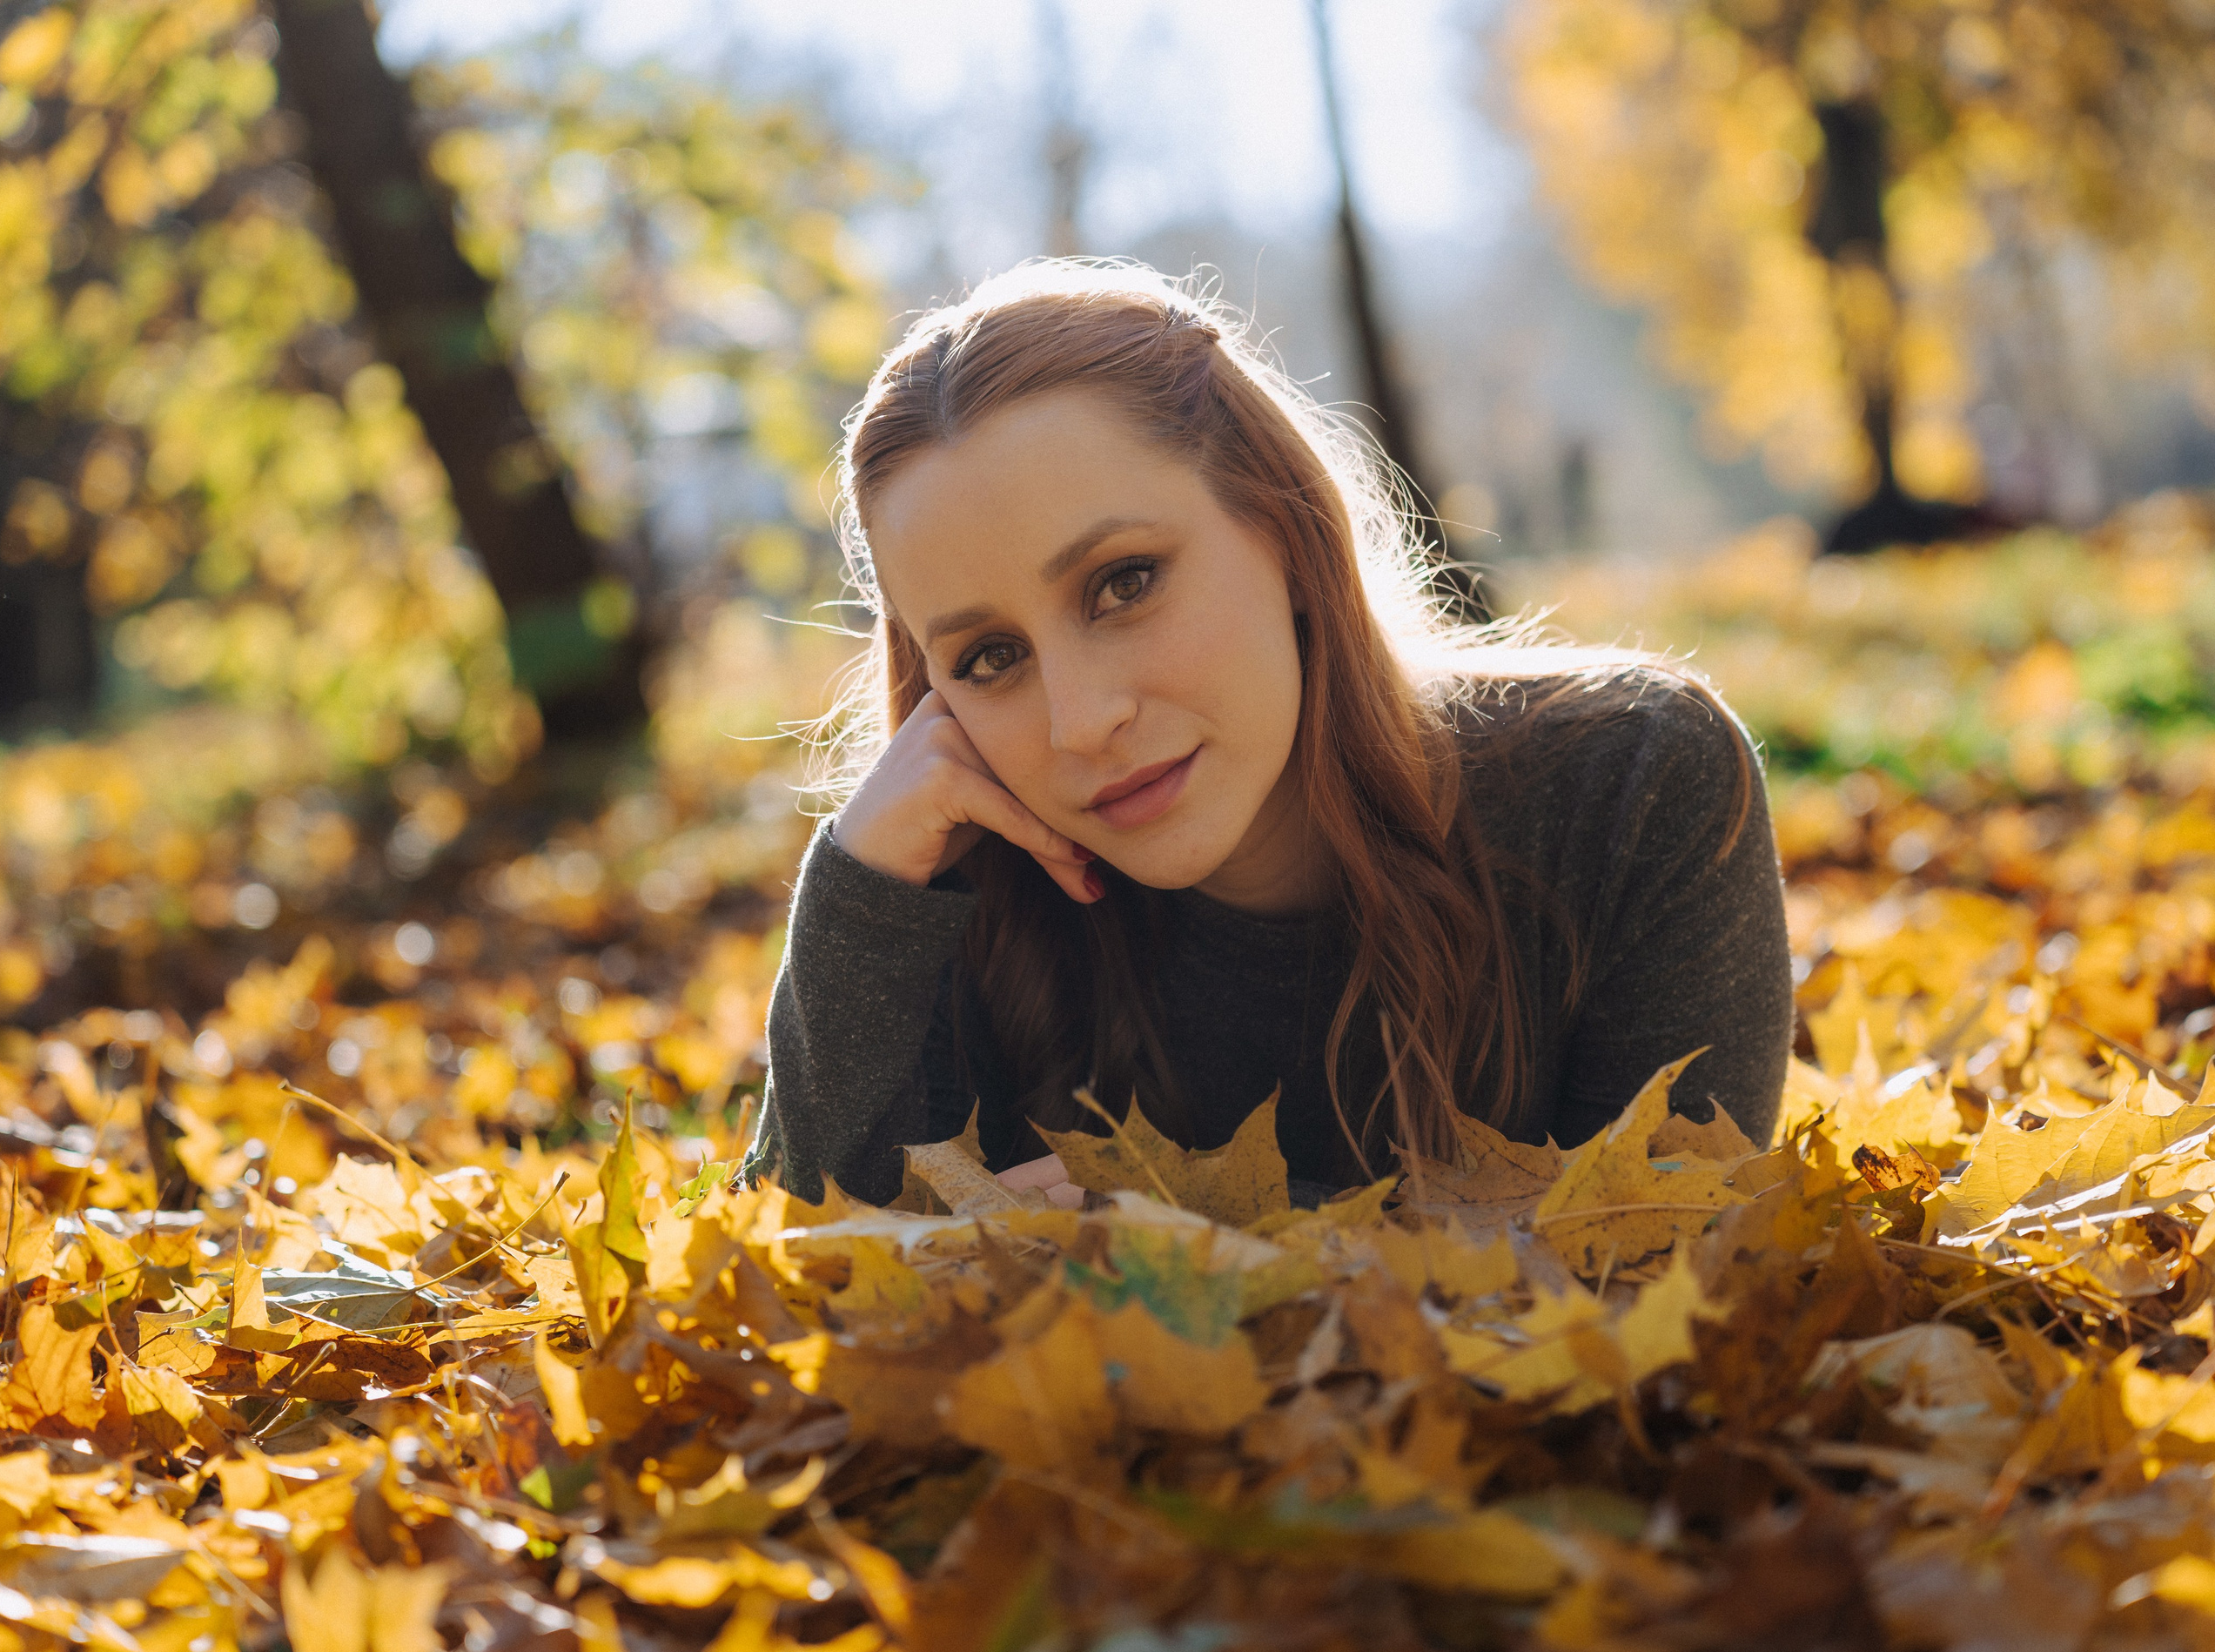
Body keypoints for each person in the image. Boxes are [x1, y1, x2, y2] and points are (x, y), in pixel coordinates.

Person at [741, 260, 1793, 1211]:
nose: (1081, 720)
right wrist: (858, 899)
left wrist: (1207, 1237)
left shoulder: (1634, 785)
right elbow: (783, 1306)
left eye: (1124, 584)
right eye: (988, 659)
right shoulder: (953, 895)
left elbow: (1672, 1269)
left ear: (1284, 527)